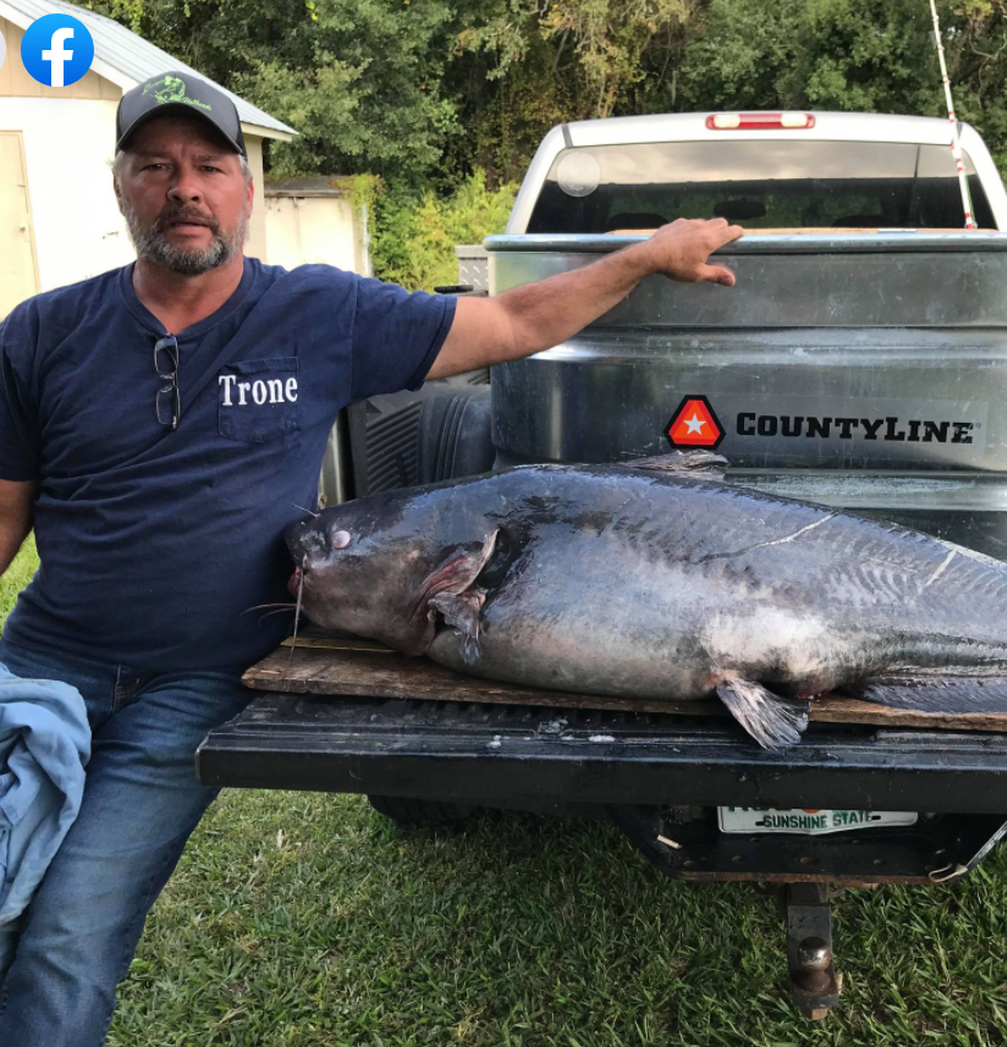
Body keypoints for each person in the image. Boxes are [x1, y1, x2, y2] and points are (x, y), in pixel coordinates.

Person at [0, 71, 743, 1046]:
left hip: (192, 684)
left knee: (67, 937)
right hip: (41, 662)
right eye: (157, 166)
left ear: (244, 187)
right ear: (123, 185)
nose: (186, 187)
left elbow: (512, 326)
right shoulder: (43, 334)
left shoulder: (316, 316)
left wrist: (644, 256)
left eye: (209, 166)